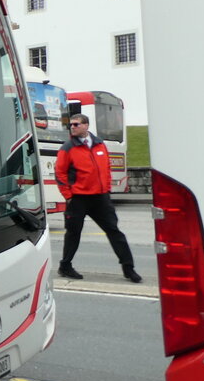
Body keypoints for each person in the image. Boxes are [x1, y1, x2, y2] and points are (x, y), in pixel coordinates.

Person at [55, 114, 141, 282]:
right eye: (71, 125)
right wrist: (68, 196)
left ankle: (128, 268)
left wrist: (106, 188)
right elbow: (60, 173)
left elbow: (106, 168)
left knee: (114, 232)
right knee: (73, 233)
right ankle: (65, 266)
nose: (72, 127)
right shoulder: (67, 147)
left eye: (76, 124)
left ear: (86, 125)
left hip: (100, 198)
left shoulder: (99, 144)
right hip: (78, 199)